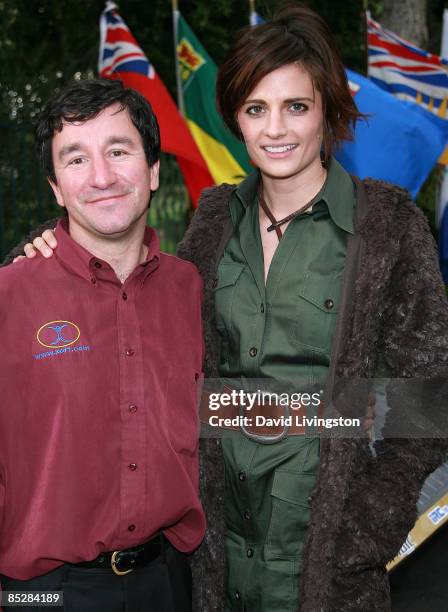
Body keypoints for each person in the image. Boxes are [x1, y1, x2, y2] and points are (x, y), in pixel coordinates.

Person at [11, 5, 448, 612]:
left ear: (327, 109)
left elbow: (425, 405)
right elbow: (155, 333)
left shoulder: (388, 227)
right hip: (215, 559)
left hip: (325, 561)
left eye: (296, 106)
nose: (276, 129)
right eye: (255, 109)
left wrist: (364, 530)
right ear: (236, 120)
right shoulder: (214, 224)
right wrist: (47, 244)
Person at [0, 78, 205, 612]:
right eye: (75, 159)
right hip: (41, 594)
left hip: (169, 583)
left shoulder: (191, 290)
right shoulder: (9, 296)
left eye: (118, 150)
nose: (102, 177)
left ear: (154, 169)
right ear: (55, 188)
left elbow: (227, 412)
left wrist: (351, 414)